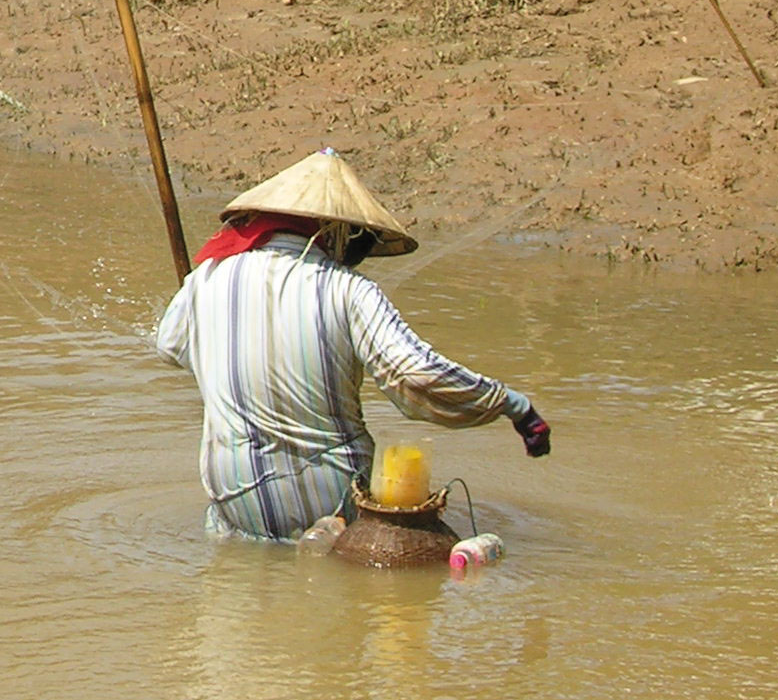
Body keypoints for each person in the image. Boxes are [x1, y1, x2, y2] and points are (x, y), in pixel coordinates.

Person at [154, 147, 552, 540]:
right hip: (333, 494)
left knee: (238, 562)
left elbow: (170, 347)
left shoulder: (206, 278)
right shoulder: (350, 290)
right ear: (335, 231)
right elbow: (415, 375)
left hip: (234, 493)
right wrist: (511, 404)